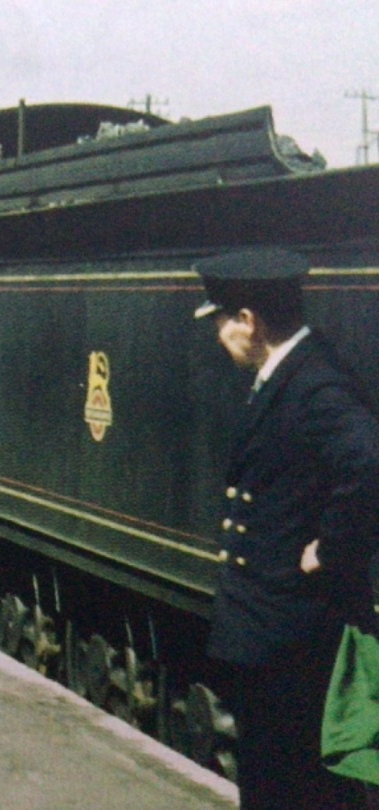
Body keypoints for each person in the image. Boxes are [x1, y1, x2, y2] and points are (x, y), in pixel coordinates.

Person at [194, 246, 379, 810]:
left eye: (222, 320)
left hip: (293, 635)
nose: (219, 334)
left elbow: (369, 461)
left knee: (287, 784)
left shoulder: (314, 384)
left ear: (248, 321)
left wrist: (329, 549)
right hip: (273, 628)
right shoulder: (292, 374)